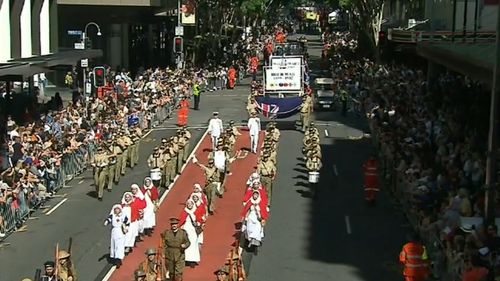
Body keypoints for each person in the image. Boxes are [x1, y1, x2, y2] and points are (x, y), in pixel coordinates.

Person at [178, 199, 204, 267]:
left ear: (193, 204)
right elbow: (181, 220)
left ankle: (193, 260)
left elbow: (199, 219)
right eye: (188, 204)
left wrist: (198, 223)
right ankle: (186, 259)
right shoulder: (184, 211)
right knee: (186, 243)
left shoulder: (195, 211)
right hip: (186, 229)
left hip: (193, 230)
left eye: (191, 204)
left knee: (193, 244)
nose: (189, 205)